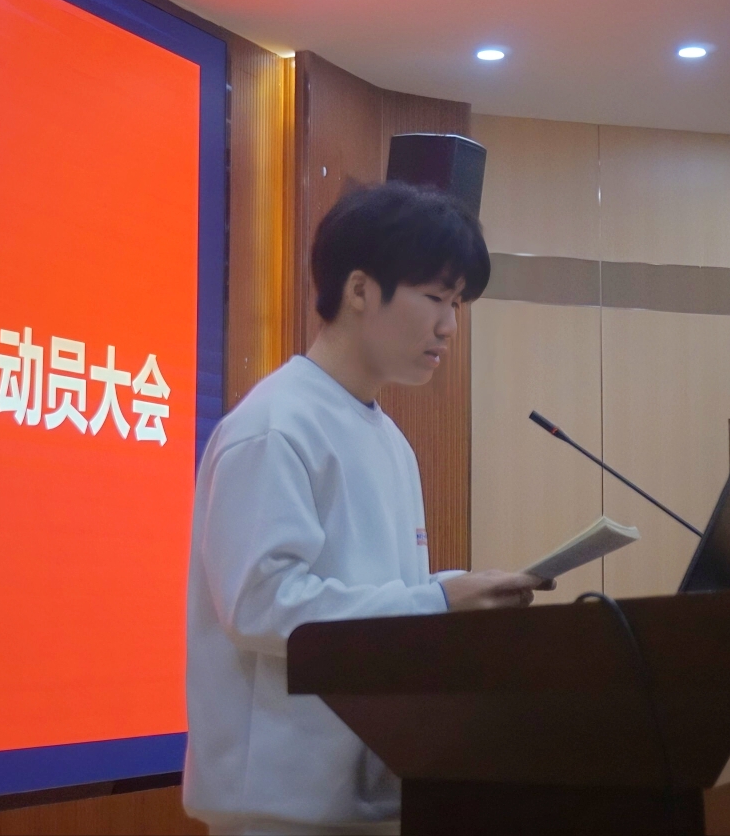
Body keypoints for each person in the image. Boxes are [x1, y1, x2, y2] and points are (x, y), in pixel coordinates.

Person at [183, 182, 546, 836]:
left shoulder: (390, 440)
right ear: (358, 290)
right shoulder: (276, 427)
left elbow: (374, 596)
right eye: (434, 297)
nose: (449, 326)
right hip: (281, 815)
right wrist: (437, 601)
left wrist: (455, 596)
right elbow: (262, 606)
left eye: (457, 304)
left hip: (375, 798)